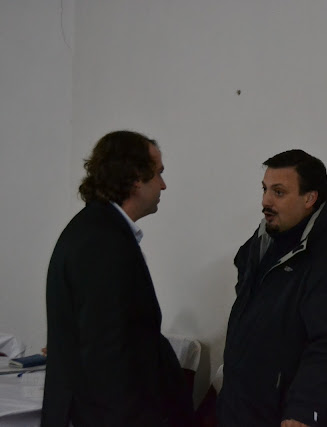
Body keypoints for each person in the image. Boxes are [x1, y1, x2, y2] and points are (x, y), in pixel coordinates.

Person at [42, 130, 193, 427]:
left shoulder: (98, 229)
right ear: (136, 178)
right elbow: (107, 352)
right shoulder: (103, 240)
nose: (163, 184)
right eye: (158, 173)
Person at [217, 149, 327, 427]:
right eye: (265, 189)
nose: (265, 201)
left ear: (310, 198)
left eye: (279, 192)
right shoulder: (262, 243)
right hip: (238, 405)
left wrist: (304, 411)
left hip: (285, 414)